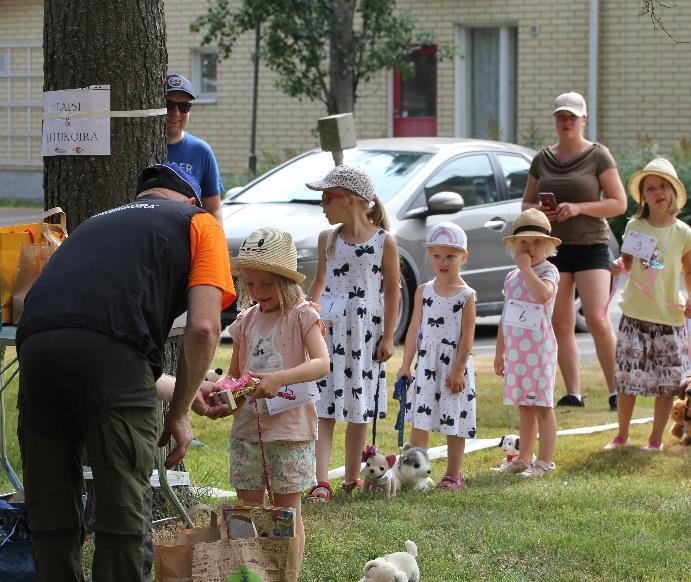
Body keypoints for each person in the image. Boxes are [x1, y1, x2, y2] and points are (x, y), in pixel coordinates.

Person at [16, 163, 235, 581]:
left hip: (37, 343)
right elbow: (205, 327)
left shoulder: (90, 226)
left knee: (50, 505)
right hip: (112, 353)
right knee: (122, 510)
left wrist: (179, 392)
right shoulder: (200, 223)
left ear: (142, 198)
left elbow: (91, 338)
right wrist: (179, 413)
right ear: (190, 201)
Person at [225, 227, 330, 569]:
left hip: (289, 431)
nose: (257, 293)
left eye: (266, 284)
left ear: (285, 280)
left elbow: (321, 363)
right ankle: (250, 574)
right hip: (247, 432)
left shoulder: (303, 316)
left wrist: (279, 379)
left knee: (286, 513)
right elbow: (234, 374)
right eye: (250, 285)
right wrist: (223, 392)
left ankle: (287, 575)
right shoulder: (245, 322)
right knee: (246, 513)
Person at [522, 91, 627, 410]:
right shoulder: (542, 158)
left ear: (583, 120)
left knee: (596, 317)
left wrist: (579, 207)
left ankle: (617, 391)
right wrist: (541, 211)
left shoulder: (598, 155)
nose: (566, 122)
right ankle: (573, 393)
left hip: (592, 245)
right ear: (555, 120)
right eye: (561, 117)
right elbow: (526, 202)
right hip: (554, 248)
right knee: (561, 321)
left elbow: (618, 203)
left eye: (572, 117)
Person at [303, 165, 400, 501]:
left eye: (327, 198)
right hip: (329, 332)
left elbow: (392, 291)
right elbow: (318, 283)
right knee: (324, 405)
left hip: (365, 334)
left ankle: (352, 478)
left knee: (359, 406)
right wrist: (308, 319)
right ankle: (321, 481)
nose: (322, 205)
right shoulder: (327, 239)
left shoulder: (383, 241)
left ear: (351, 201)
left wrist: (388, 336)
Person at [604, 158, 691, 451]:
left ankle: (655, 439)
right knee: (627, 378)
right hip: (634, 314)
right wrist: (619, 264)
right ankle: (622, 434)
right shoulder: (635, 225)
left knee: (667, 383)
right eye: (650, 188)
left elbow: (689, 271)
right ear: (644, 196)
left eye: (663, 186)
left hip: (669, 316)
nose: (657, 192)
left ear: (673, 192)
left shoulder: (683, 232)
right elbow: (628, 262)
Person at [397, 222, 477, 491]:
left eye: (451, 256)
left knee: (454, 420)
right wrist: (406, 364)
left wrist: (459, 369)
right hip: (426, 365)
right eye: (437, 255)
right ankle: (413, 471)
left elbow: (467, 337)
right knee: (421, 417)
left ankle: (454, 474)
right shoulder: (424, 291)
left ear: (463, 257)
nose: (443, 262)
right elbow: (414, 330)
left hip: (453, 366)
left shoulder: (467, 296)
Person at [493, 209, 561, 477]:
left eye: (536, 242)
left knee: (542, 405)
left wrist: (526, 269)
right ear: (513, 246)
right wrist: (500, 351)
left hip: (539, 350)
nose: (529, 248)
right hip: (518, 353)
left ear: (547, 246)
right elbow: (506, 315)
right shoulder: (511, 277)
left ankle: (544, 461)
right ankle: (524, 457)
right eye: (523, 242)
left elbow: (543, 295)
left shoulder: (549, 271)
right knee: (525, 404)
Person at [165, 72, 224, 223]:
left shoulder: (201, 151)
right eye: (168, 105)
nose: (175, 113)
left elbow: (213, 209)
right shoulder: (138, 148)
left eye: (184, 106)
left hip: (189, 241)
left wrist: (216, 245)